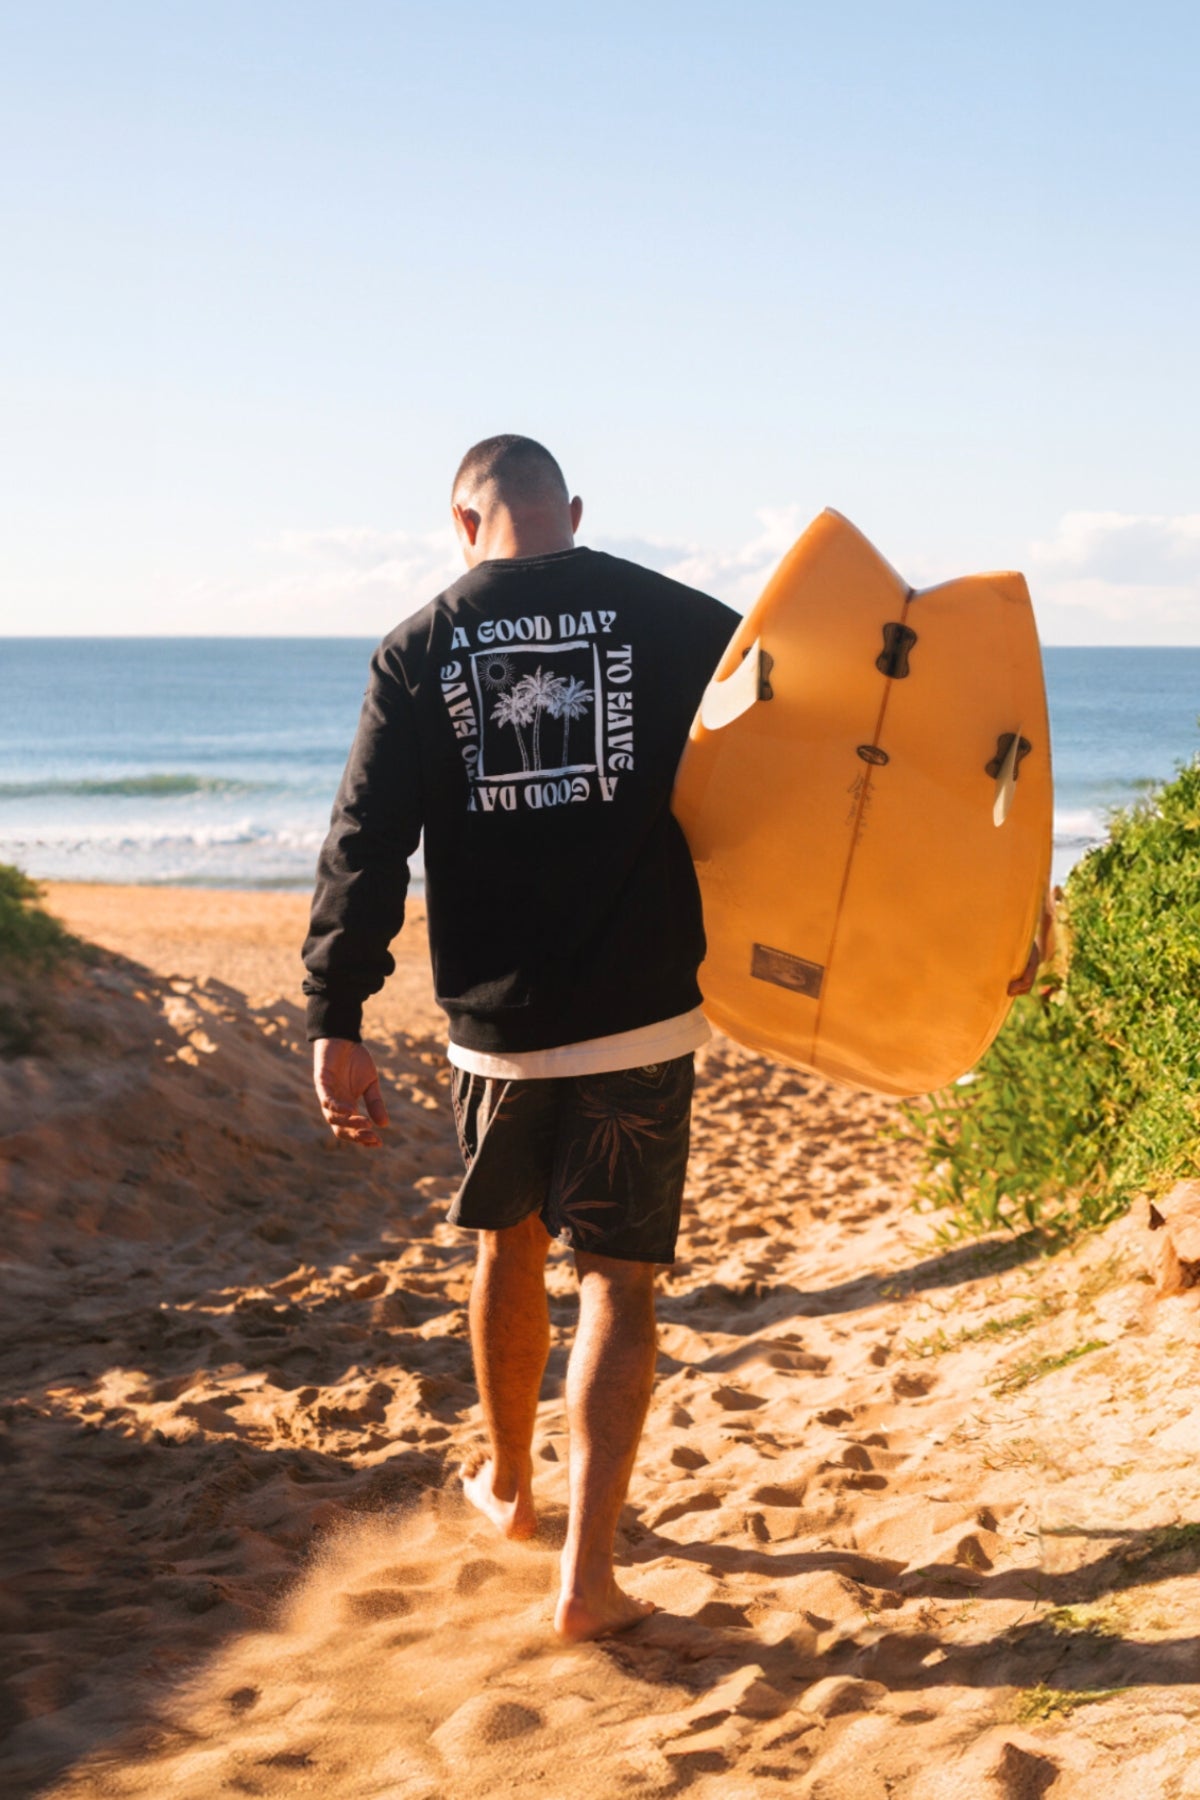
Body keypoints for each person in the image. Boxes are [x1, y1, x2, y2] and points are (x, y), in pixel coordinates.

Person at [302, 435, 737, 1641]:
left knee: (507, 1242)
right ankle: (588, 1582)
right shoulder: (672, 616)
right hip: (645, 1007)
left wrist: (338, 1013)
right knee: (621, 1284)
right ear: (575, 511)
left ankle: (506, 1486)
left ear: (461, 519)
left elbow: (364, 845)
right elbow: (794, 728)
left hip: (498, 1024)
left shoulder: (416, 645)